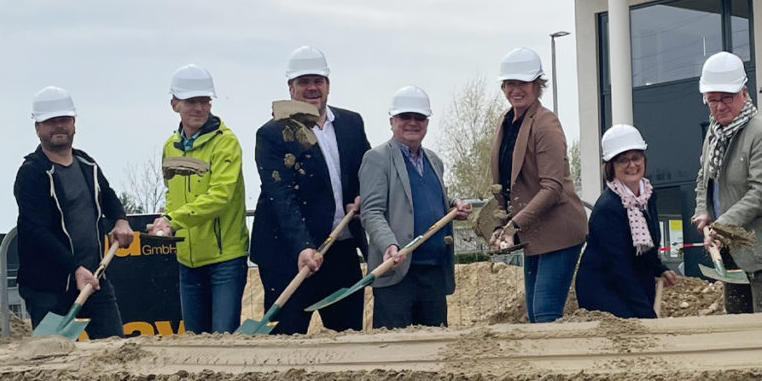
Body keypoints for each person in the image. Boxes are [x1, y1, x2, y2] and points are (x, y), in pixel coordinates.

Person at [250, 45, 370, 335]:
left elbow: (366, 172)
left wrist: (363, 196)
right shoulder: (273, 134)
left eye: (318, 81)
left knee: (347, 338)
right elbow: (281, 198)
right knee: (287, 341)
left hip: (339, 249)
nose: (312, 88)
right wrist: (303, 245)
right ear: (290, 87)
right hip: (288, 255)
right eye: (304, 82)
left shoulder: (351, 123)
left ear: (328, 84)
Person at [13, 86, 133, 338]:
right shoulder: (32, 173)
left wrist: (121, 219)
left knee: (114, 349)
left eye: (64, 120)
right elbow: (36, 231)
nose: (59, 126)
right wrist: (74, 267)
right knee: (54, 360)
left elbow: (108, 195)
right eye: (51, 121)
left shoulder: (87, 164)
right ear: (37, 127)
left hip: (95, 277)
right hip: (47, 287)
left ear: (74, 123)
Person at [692, 52, 762, 313]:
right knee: (738, 325)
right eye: (712, 100)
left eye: (727, 98)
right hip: (733, 250)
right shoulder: (714, 133)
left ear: (744, 92)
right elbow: (703, 175)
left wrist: (722, 226)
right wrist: (702, 211)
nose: (719, 106)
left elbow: (761, 192)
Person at [488, 47, 587, 323]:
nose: (515, 90)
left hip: (559, 232)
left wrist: (513, 225)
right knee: (534, 314)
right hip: (532, 234)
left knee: (545, 313)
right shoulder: (507, 123)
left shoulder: (545, 124)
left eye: (522, 83)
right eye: (510, 83)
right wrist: (500, 223)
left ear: (537, 84)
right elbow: (505, 184)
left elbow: (552, 188)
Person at [359, 86, 472, 329]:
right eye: (405, 117)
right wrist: (389, 244)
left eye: (419, 117)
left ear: (427, 122)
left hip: (432, 274)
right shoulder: (377, 159)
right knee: (395, 352)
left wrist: (454, 205)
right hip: (397, 276)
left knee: (434, 349)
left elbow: (430, 198)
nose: (412, 123)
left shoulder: (434, 161)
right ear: (392, 121)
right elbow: (371, 211)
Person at [148, 65, 249, 333]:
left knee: (223, 340)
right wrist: (164, 220)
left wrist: (173, 220)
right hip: (187, 262)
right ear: (174, 104)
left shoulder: (225, 143)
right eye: (192, 101)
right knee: (195, 342)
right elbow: (173, 193)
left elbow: (221, 195)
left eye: (205, 101)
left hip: (224, 259)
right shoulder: (171, 146)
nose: (199, 108)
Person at [576, 125, 678, 318]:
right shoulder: (608, 208)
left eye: (636, 158)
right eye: (623, 160)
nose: (632, 165)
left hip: (634, 284)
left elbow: (647, 245)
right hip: (605, 292)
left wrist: (659, 268)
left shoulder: (648, 196)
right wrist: (644, 312)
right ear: (611, 166)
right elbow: (619, 266)